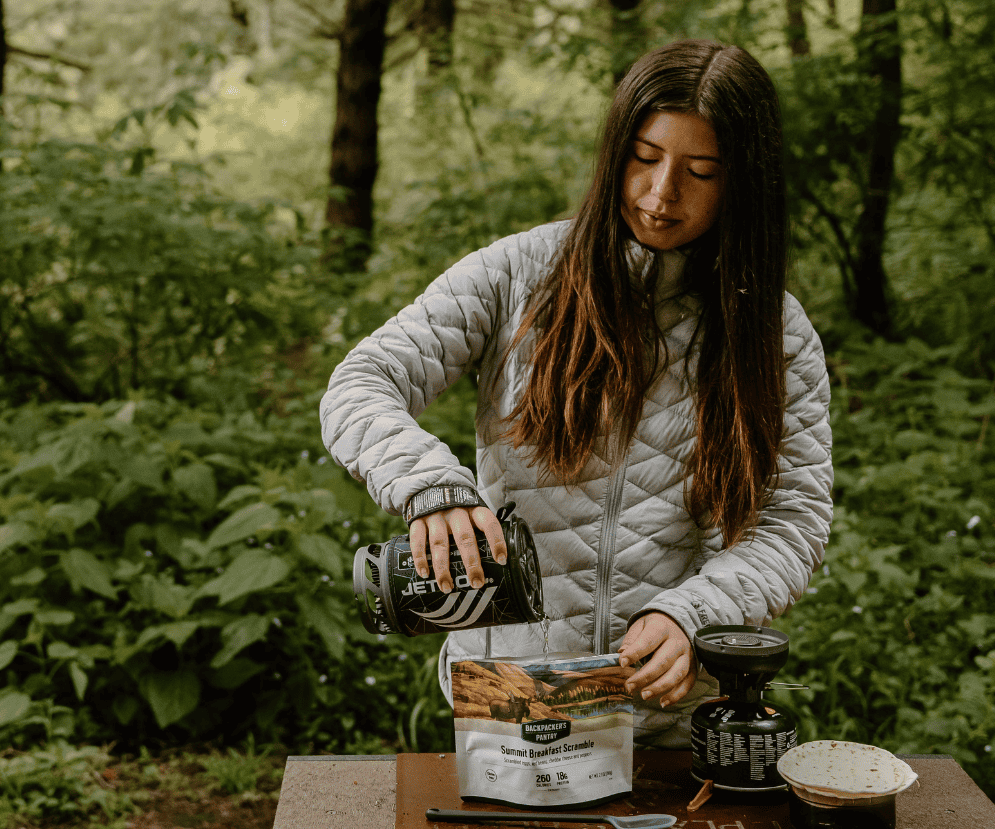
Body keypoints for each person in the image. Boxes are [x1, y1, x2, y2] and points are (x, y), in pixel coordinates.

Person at [320, 39, 833, 746]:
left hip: (671, 718)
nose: (661, 195)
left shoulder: (776, 333)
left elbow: (789, 520)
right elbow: (361, 381)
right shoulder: (517, 274)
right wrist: (430, 487)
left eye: (701, 171)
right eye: (645, 159)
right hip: (509, 699)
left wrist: (696, 612)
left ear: (744, 181)